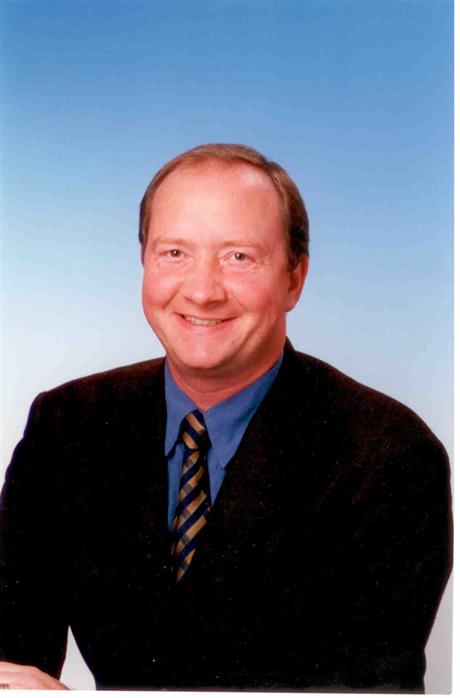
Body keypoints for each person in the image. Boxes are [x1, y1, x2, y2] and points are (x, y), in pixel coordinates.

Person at [0, 144, 452, 692]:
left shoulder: (388, 457)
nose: (201, 291)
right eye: (174, 253)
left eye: (238, 256)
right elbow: (12, 655)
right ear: (144, 262)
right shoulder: (68, 425)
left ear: (294, 279)